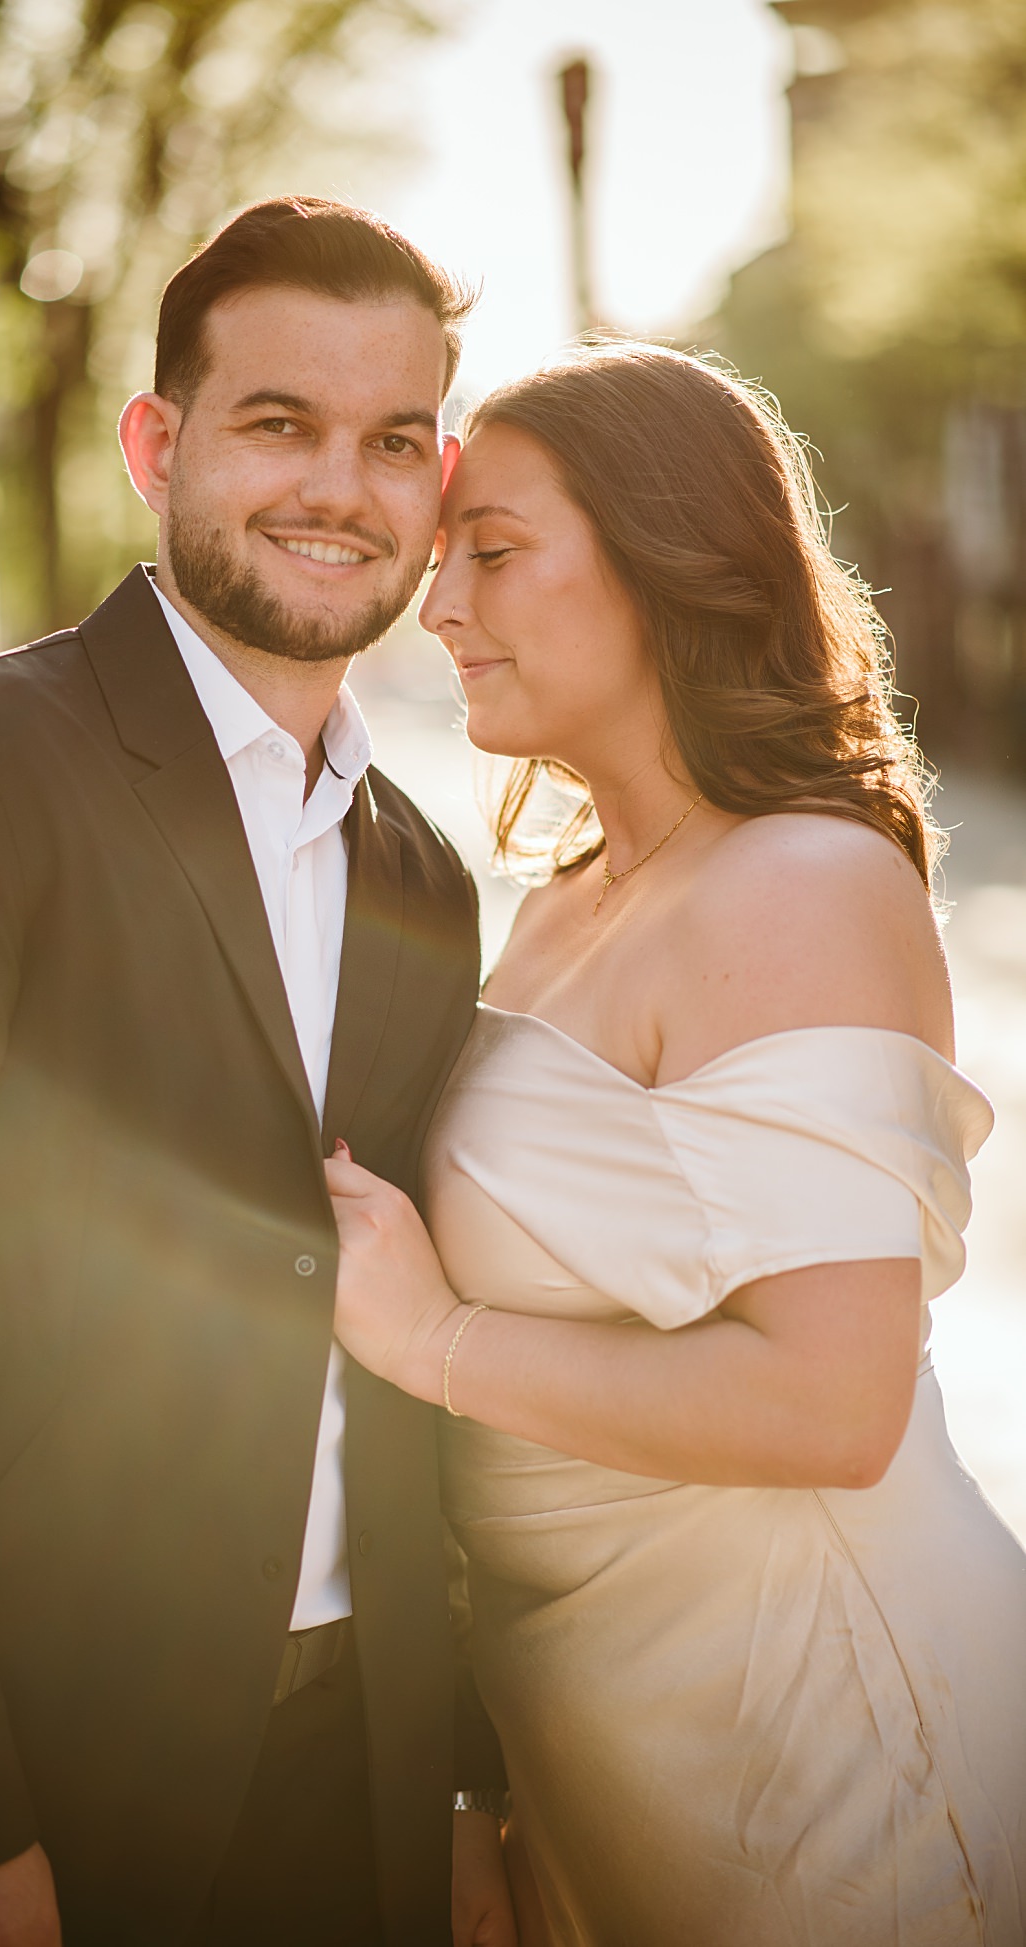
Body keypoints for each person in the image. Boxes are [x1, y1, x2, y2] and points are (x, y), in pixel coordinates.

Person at [0, 198, 517, 1947]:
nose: (341, 486)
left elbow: (398, 1384)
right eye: (277, 423)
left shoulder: (421, 879)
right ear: (157, 444)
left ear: (441, 479)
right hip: (29, 1804)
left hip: (357, 1804)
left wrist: (454, 1779)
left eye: (393, 441)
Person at [324, 341, 1026, 1946]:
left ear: (667, 562)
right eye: (441, 565)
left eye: (492, 553)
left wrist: (436, 1337)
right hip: (616, 1764)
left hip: (838, 1753)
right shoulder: (571, 895)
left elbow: (830, 1400)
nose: (439, 611)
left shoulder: (799, 885)